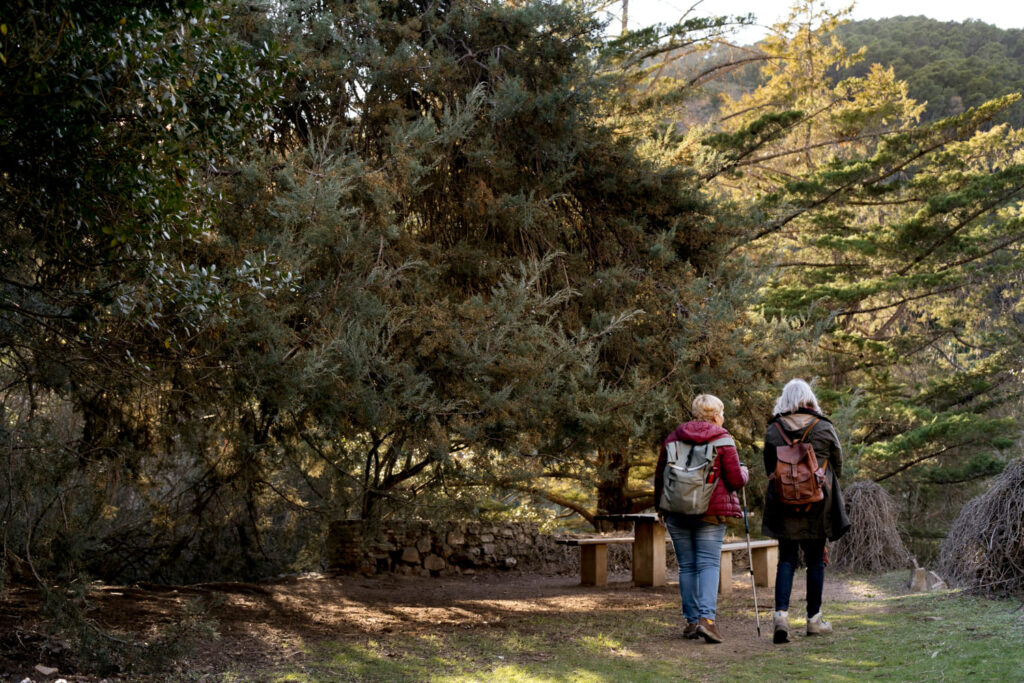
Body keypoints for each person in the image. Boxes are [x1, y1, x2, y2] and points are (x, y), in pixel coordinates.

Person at [655, 394, 749, 644]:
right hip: (711, 511)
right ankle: (707, 621)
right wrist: (745, 472)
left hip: (676, 509)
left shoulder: (674, 436)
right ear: (716, 415)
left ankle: (691, 621)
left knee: (686, 565)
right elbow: (735, 480)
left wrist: (661, 508)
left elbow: (660, 475)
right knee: (708, 563)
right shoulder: (723, 439)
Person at [762, 379, 850, 644]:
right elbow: (839, 464)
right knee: (815, 559)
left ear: (784, 400)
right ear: (810, 399)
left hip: (784, 503)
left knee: (786, 559)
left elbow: (769, 469)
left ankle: (780, 617)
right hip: (818, 503)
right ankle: (813, 620)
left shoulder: (774, 431)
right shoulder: (824, 427)